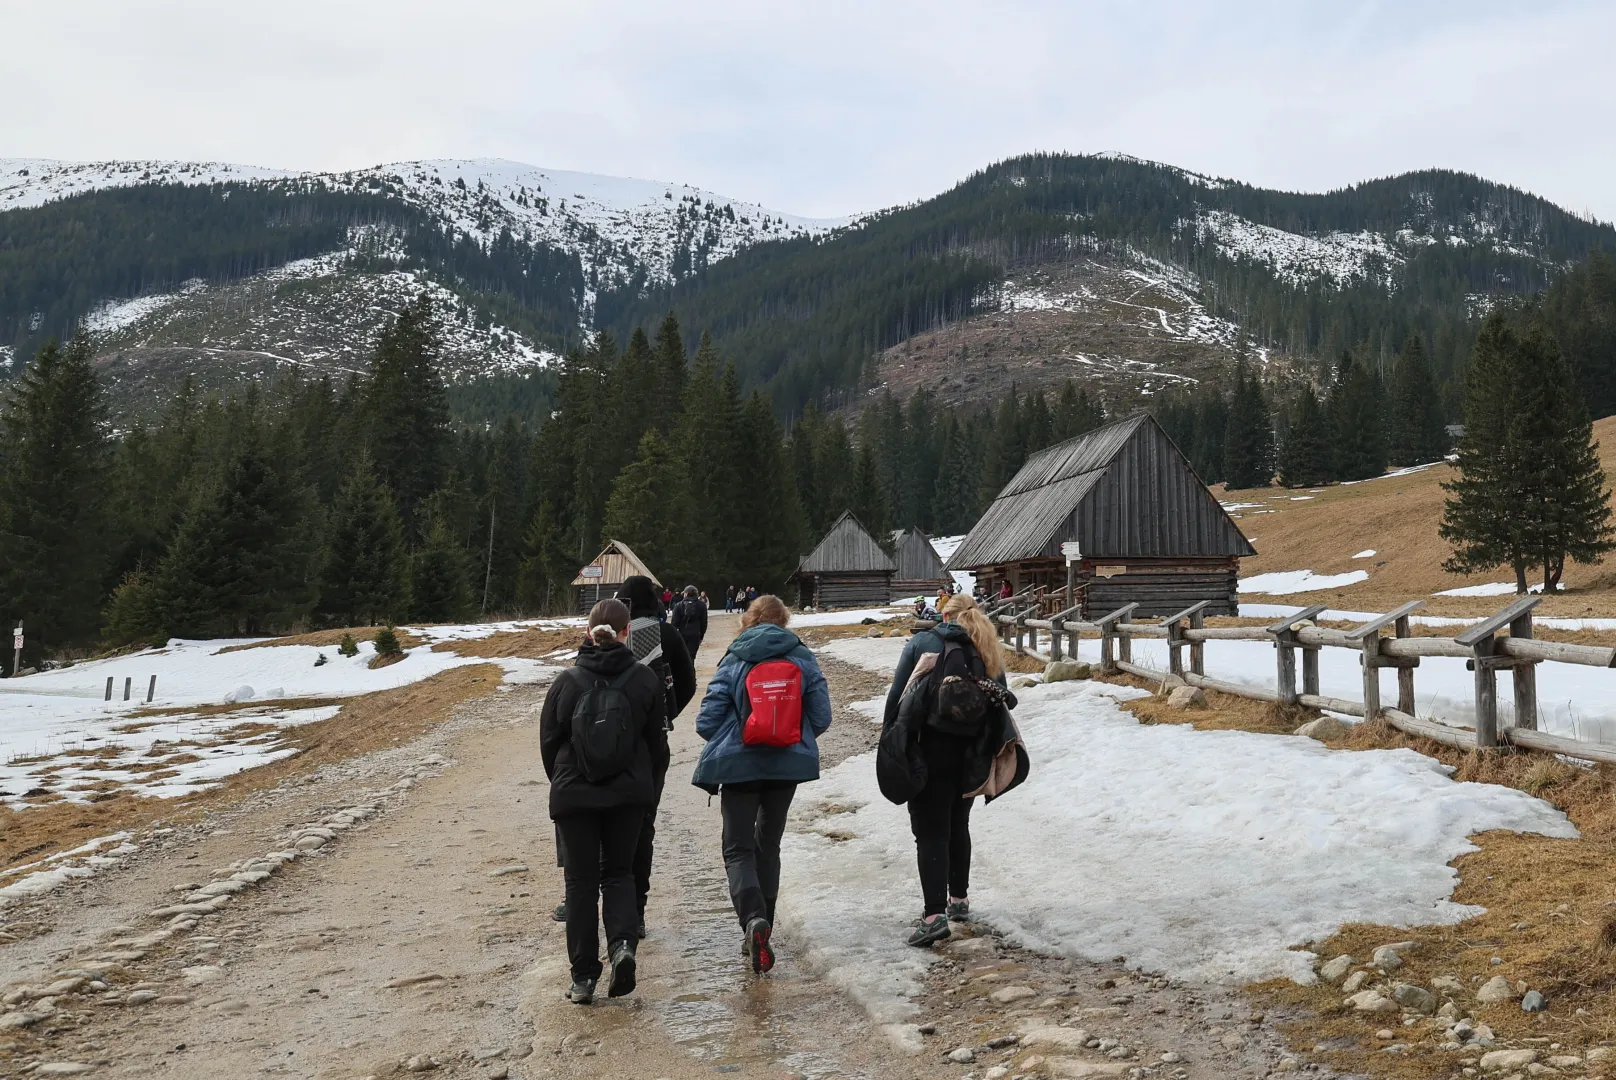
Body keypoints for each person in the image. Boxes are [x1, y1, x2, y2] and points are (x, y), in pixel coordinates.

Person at [692, 594, 831, 973]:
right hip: (786, 767)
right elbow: (821, 716)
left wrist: (737, 734)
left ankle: (753, 921)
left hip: (739, 767)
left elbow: (706, 721)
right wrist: (790, 736)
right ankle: (764, 922)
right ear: (784, 621)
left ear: (748, 620)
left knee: (738, 849)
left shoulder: (735, 658)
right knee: (768, 845)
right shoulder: (802, 657)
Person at [539, 599, 669, 1004]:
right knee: (618, 874)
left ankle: (583, 978)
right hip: (627, 796)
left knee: (579, 884)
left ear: (587, 631)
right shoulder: (644, 680)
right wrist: (646, 790)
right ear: (628, 632)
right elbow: (657, 746)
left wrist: (566, 782)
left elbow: (549, 744)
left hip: (574, 795)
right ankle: (622, 946)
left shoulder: (565, 682)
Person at [880, 593, 1027, 947]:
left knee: (931, 830)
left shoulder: (923, 642)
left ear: (944, 615)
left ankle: (933, 917)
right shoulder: (986, 646)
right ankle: (958, 900)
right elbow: (1002, 696)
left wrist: (890, 741)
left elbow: (898, 694)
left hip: (928, 750)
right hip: (973, 752)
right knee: (959, 822)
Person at [617, 575, 696, 934]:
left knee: (601, 823)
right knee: (642, 826)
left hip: (606, 742)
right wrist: (665, 715)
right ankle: (636, 912)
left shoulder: (611, 633)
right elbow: (688, 683)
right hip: (651, 745)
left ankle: (585, 899)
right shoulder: (666, 634)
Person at [670, 585, 708, 661]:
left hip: (682, 634)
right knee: (691, 656)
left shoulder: (679, 605)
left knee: (682, 657)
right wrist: (701, 636)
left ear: (686, 593)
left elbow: (674, 623)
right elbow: (704, 623)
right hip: (695, 634)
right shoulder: (702, 605)